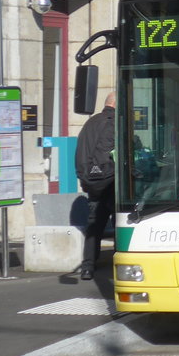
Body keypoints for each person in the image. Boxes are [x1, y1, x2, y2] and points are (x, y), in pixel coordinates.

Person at [75, 92, 116, 281]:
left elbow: (81, 152)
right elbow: (108, 155)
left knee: (94, 224)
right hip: (110, 182)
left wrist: (84, 178)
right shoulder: (113, 122)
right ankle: (120, 261)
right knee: (121, 222)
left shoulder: (90, 123)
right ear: (117, 104)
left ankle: (88, 266)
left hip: (91, 182)